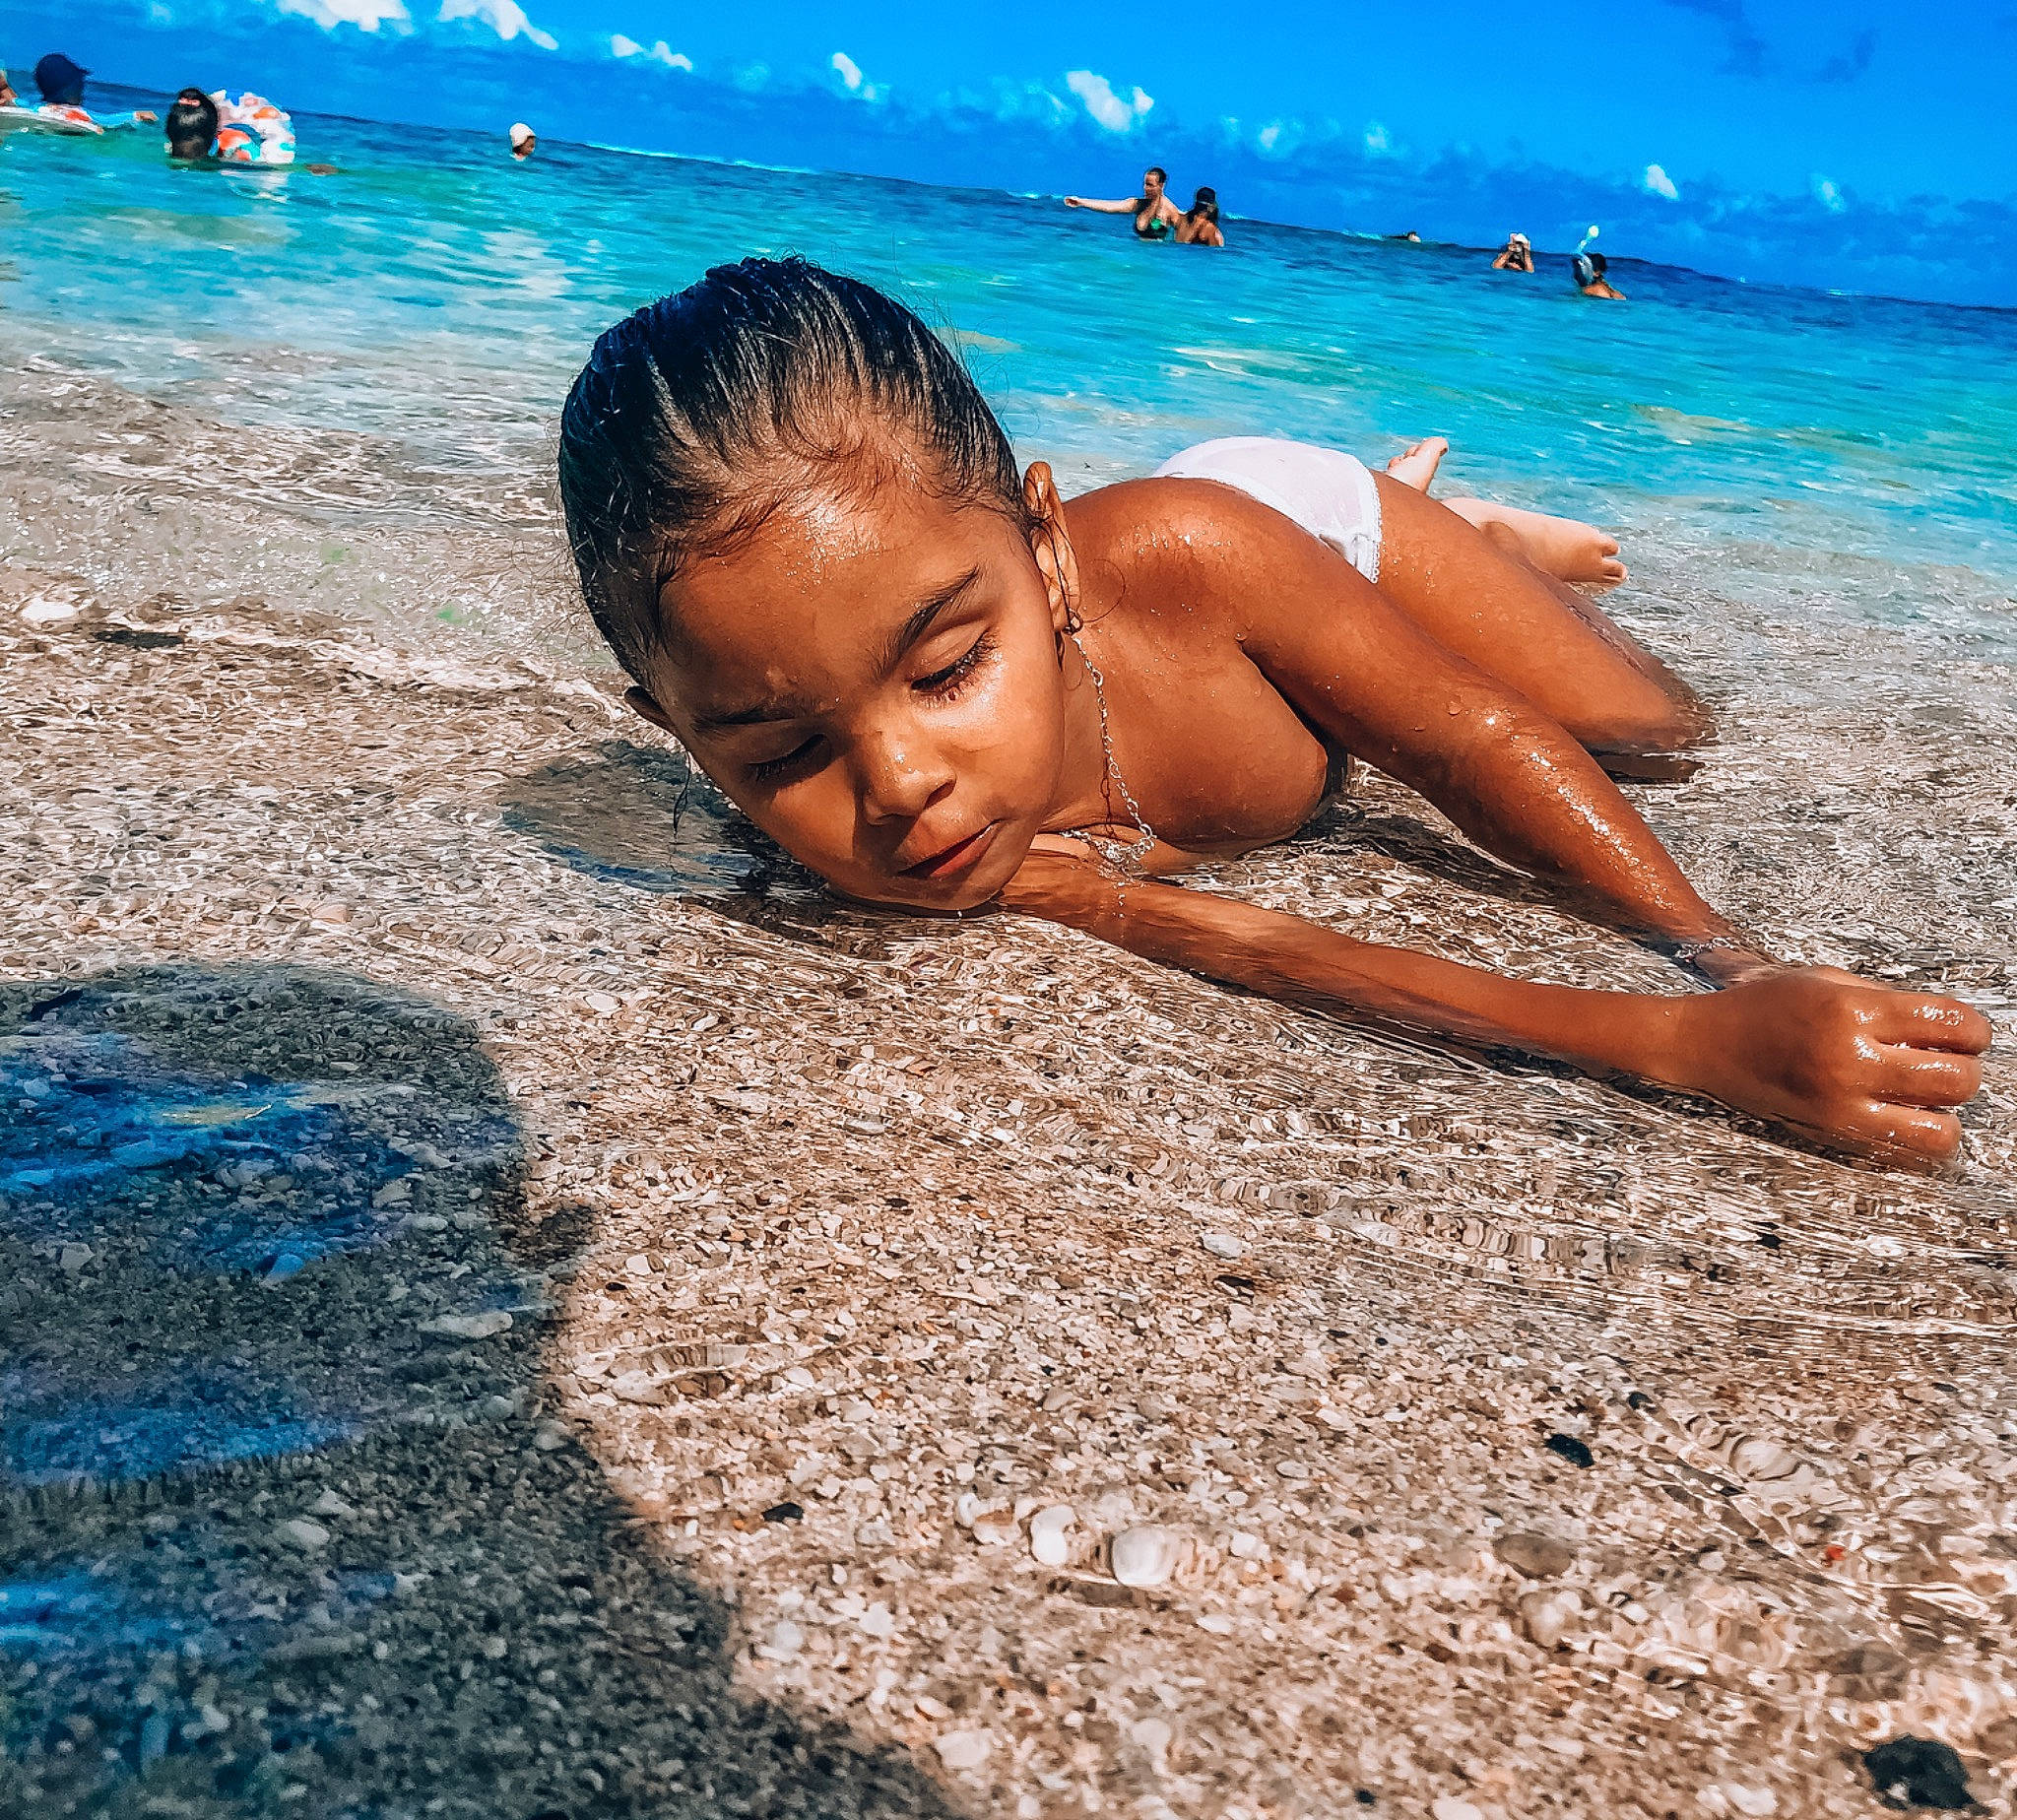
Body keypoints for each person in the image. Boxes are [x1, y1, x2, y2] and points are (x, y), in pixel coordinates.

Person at [553, 258, 1987, 1163]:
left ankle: (1465, 536)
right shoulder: (953, 846)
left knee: (1661, 734)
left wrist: (1719, 966)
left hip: (1283, 527)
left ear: (1042, 550)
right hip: (1210, 565)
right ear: (677, 728)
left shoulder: (1188, 555)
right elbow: (1266, 947)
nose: (900, 782)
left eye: (943, 671)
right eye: (782, 750)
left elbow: (1471, 743)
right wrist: (1678, 1052)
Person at [28, 53, 157, 131]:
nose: (82, 88)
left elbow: (17, 102)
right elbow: (106, 120)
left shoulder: (35, 109)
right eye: (79, 83)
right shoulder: (77, 114)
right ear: (68, 89)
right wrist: (136, 115)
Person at [1064, 166, 1182, 241]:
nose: (1145, 188)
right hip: (1137, 256)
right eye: (1145, 184)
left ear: (1161, 185)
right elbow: (1111, 207)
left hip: (1157, 260)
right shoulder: (1138, 204)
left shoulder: (1169, 210)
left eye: (1150, 185)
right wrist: (1081, 202)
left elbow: (1186, 234)